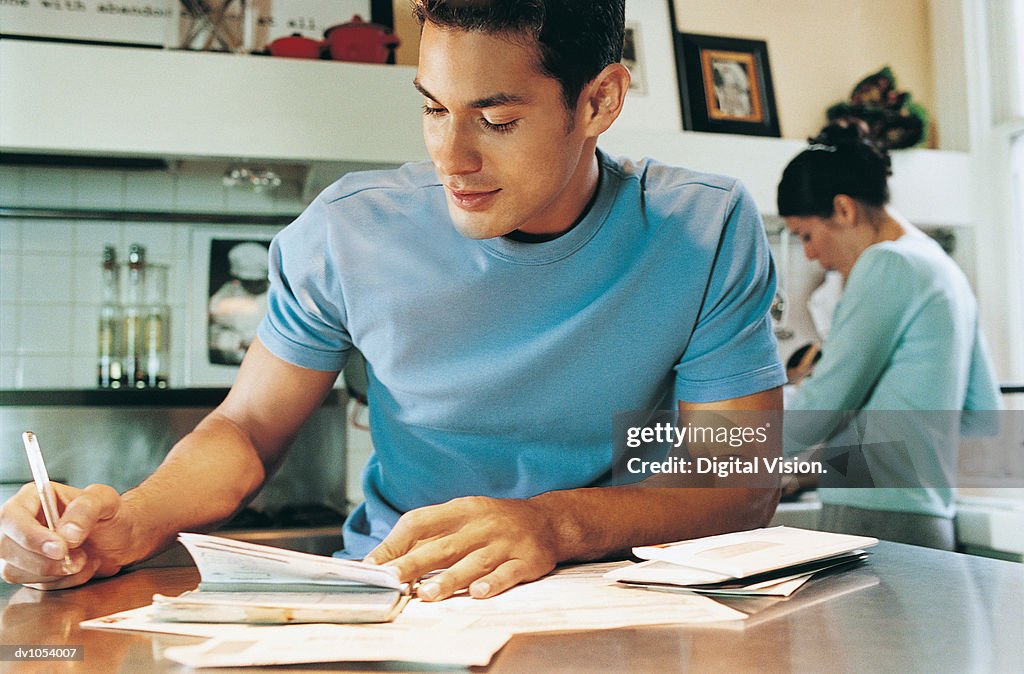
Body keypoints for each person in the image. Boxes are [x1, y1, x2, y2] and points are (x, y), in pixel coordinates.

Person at [0, 0, 784, 599]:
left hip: (620, 598)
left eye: (497, 118)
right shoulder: (348, 232)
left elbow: (739, 485)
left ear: (599, 102)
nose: (451, 157)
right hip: (403, 596)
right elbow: (245, 428)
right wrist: (130, 523)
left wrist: (552, 524)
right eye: (434, 107)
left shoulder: (702, 228)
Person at [778, 122, 1002, 549]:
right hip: (930, 522)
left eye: (806, 235)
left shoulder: (886, 265)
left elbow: (817, 412)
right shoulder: (943, 269)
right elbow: (981, 415)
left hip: (872, 520)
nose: (808, 253)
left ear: (843, 210)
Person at [208, 241, 271, 365]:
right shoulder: (227, 294)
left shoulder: (279, 295)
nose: (253, 285)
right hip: (235, 360)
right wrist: (234, 342)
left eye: (257, 281)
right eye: (247, 281)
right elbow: (212, 330)